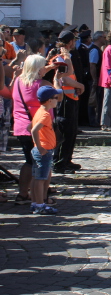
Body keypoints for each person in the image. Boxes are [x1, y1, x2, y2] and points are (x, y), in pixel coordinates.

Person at [12, 55, 63, 205]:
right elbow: (58, 97)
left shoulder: (18, 81)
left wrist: (49, 67)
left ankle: (22, 194)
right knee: (44, 165)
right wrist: (57, 79)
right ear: (38, 68)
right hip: (41, 129)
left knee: (29, 162)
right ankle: (43, 198)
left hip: (22, 126)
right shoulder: (43, 84)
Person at [48, 31, 86, 174]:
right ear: (69, 42)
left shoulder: (65, 57)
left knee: (71, 132)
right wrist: (79, 85)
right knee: (65, 131)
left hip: (71, 98)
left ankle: (67, 159)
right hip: (64, 100)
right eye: (73, 40)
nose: (75, 42)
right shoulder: (60, 58)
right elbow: (63, 78)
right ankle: (59, 162)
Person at [29, 86, 64, 215]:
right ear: (49, 100)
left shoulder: (39, 112)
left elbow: (30, 127)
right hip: (43, 150)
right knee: (41, 179)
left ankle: (34, 203)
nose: (57, 100)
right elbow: (33, 130)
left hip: (39, 149)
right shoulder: (45, 115)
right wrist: (40, 146)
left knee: (36, 177)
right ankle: (39, 205)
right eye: (55, 98)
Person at [87, 31, 106, 126]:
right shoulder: (94, 50)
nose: (105, 39)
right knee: (94, 100)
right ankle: (93, 120)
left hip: (99, 79)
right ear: (99, 38)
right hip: (96, 79)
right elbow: (92, 65)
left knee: (98, 99)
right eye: (104, 37)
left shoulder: (98, 49)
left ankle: (97, 119)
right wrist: (94, 78)